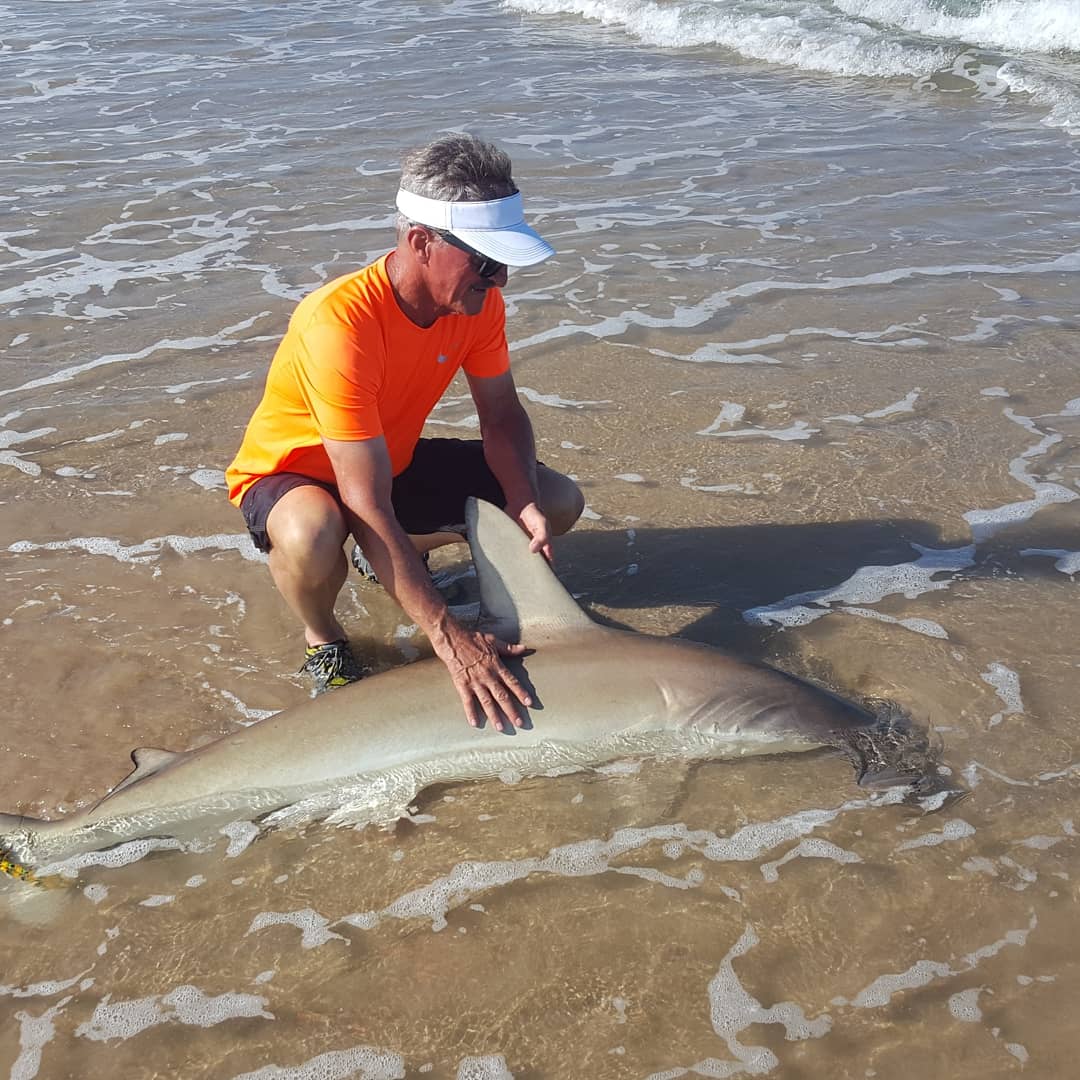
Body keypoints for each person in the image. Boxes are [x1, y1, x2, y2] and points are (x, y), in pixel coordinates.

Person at [225, 133, 584, 732]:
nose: (500, 280)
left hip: (386, 458)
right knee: (318, 531)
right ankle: (324, 638)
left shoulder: (476, 302)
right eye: (486, 261)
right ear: (421, 242)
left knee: (558, 499)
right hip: (294, 476)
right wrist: (451, 639)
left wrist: (522, 499)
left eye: (506, 263)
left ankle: (392, 559)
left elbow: (501, 414)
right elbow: (361, 500)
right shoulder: (339, 324)